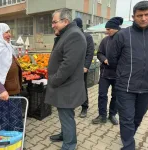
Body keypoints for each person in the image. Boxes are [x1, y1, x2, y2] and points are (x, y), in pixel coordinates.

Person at [109, 1, 148, 150]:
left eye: (147, 14)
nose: (144, 18)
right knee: (127, 119)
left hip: (147, 87)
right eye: (140, 15)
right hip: (125, 87)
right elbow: (113, 58)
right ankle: (128, 146)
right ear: (133, 17)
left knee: (137, 118)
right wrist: (123, 73)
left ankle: (128, 136)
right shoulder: (123, 35)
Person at [45, 8, 87, 150]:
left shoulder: (73, 35)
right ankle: (65, 135)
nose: (52, 25)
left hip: (67, 86)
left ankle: (69, 145)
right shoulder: (67, 33)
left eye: (54, 22)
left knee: (67, 116)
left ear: (66, 21)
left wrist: (54, 80)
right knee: (64, 115)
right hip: (64, 85)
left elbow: (68, 65)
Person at [0, 23, 23, 131]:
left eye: (9, 32)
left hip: (12, 90)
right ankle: (4, 145)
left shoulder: (6, 47)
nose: (9, 34)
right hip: (3, 94)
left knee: (14, 118)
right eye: (6, 32)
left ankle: (15, 142)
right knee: (2, 121)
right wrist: (1, 90)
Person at [91, 17, 123, 125]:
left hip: (118, 74)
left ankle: (112, 114)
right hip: (105, 73)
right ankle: (102, 116)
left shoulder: (123, 39)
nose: (106, 31)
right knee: (102, 94)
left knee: (116, 96)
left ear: (115, 29)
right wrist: (104, 59)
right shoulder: (105, 40)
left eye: (108, 29)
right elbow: (99, 53)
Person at [73, 18, 95, 118]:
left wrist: (86, 66)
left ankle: (84, 107)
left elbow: (90, 52)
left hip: (82, 68)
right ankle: (72, 104)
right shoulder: (72, 36)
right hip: (72, 67)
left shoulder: (87, 37)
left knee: (82, 87)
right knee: (72, 87)